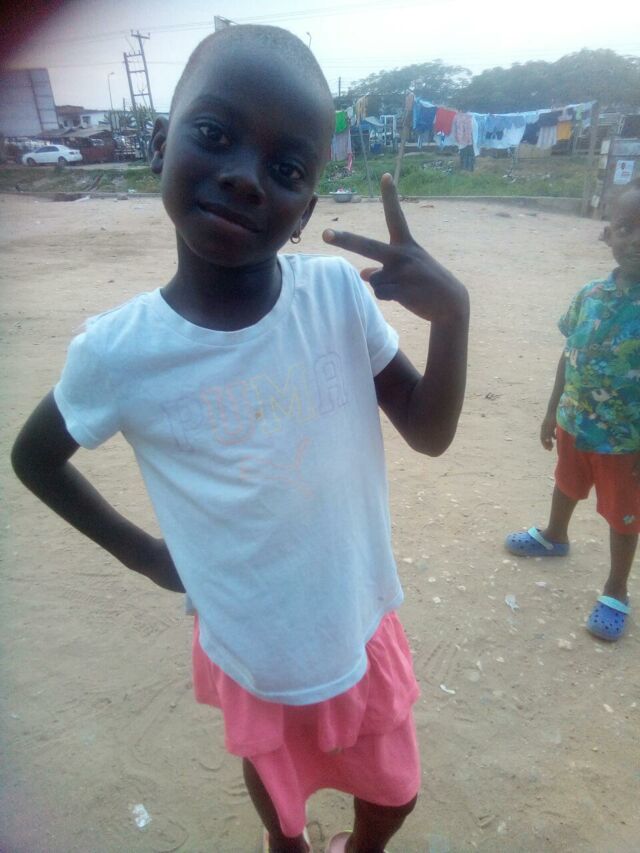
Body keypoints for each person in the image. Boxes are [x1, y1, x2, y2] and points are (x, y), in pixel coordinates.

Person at [11, 25, 469, 853]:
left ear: (304, 213)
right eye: (215, 134)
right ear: (161, 145)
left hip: (356, 618)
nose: (244, 176)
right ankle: (287, 843)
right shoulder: (120, 352)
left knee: (393, 795)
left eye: (286, 170)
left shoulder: (335, 299)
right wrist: (147, 555)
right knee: (275, 776)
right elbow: (34, 457)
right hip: (247, 637)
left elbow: (429, 433)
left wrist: (454, 318)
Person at [505, 178, 640, 642]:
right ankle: (554, 535)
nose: (635, 240)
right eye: (626, 228)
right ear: (608, 234)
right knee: (566, 483)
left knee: (625, 513)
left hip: (625, 441)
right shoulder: (589, 295)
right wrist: (551, 411)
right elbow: (569, 354)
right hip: (574, 423)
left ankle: (616, 590)